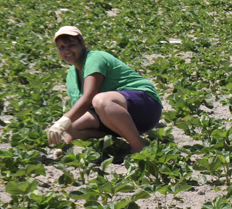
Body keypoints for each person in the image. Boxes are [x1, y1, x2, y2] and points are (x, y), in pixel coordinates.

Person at [46, 26, 162, 156]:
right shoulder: (71, 76)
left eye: (71, 45)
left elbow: (89, 97)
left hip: (145, 107)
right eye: (62, 47)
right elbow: (81, 111)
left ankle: (138, 146)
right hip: (119, 118)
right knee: (72, 126)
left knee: (100, 100)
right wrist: (64, 147)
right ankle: (121, 144)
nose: (67, 51)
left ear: (82, 44)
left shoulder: (94, 58)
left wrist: (62, 121)